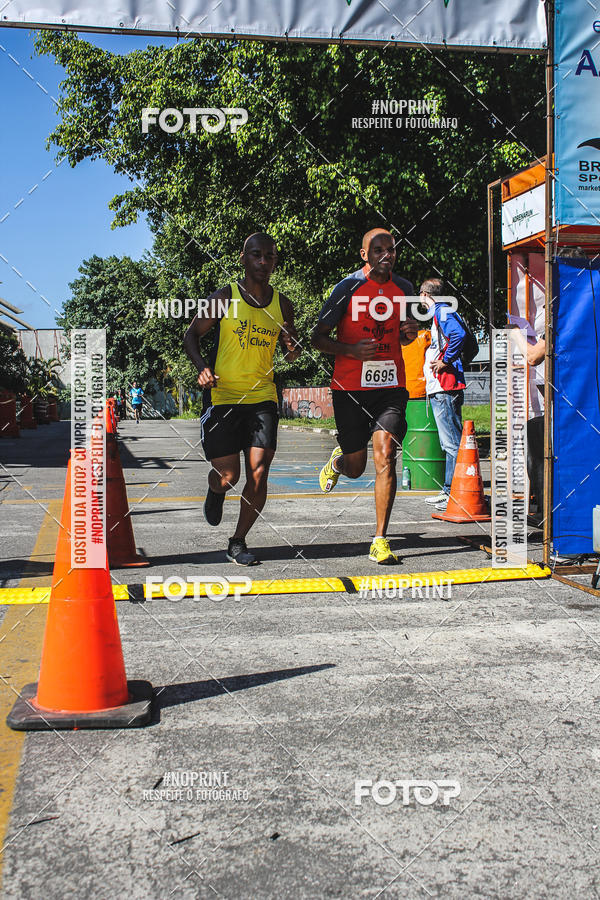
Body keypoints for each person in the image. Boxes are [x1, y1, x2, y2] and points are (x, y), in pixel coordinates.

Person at [183, 232, 301, 566]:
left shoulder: (283, 304)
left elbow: (291, 353)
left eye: (270, 257)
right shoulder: (225, 297)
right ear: (243, 258)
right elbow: (191, 335)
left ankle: (238, 541)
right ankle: (215, 490)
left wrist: (293, 348)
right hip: (223, 398)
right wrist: (202, 367)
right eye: (257, 255)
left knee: (259, 472)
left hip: (262, 399)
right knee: (228, 476)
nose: (264, 262)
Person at [311, 227, 418, 565]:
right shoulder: (347, 289)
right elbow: (317, 338)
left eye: (392, 249)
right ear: (364, 255)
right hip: (350, 389)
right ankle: (338, 461)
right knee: (356, 468)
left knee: (386, 454)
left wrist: (409, 333)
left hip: (390, 388)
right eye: (378, 250)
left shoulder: (405, 289)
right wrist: (350, 350)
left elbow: (407, 336)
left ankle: (380, 539)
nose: (387, 255)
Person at [420, 278, 467, 511]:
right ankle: (449, 489)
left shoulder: (442, 311)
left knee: (452, 443)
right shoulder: (441, 313)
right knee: (447, 442)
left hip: (445, 387)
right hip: (442, 387)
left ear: (424, 295)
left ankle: (456, 493)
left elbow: (458, 335)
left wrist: (444, 361)